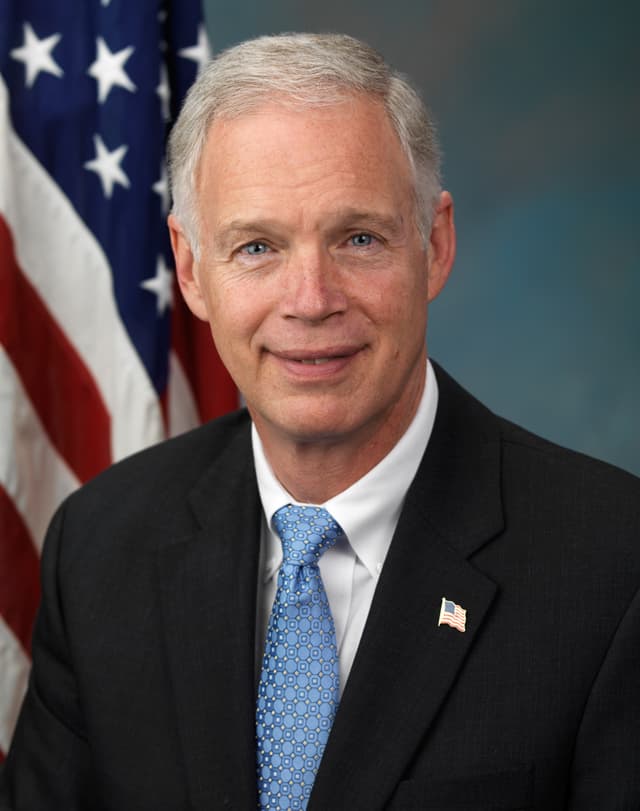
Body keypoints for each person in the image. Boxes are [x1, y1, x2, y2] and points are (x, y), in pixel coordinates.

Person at [1, 32, 639, 811]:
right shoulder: (100, 548)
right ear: (192, 268)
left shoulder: (612, 567)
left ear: (434, 246)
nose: (310, 298)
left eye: (359, 238)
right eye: (258, 246)